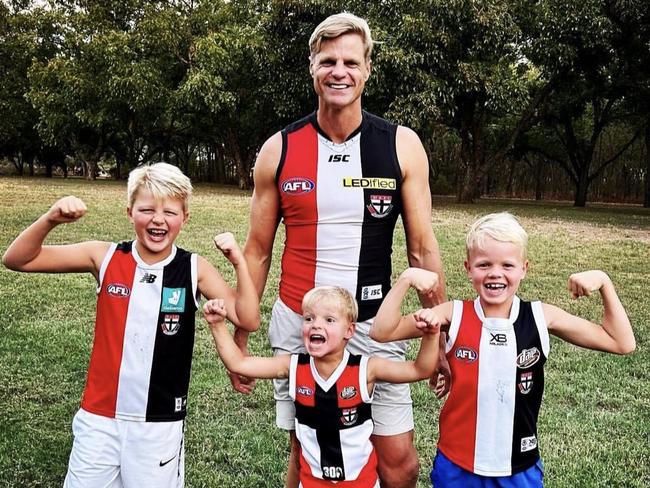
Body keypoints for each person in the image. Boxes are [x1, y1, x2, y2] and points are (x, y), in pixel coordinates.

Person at [235, 12, 447, 487]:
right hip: (300, 323)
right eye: (327, 60)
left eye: (351, 61)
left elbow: (422, 248)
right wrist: (243, 330)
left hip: (376, 325)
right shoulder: (279, 148)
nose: (339, 71)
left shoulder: (401, 145)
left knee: (399, 462)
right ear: (312, 67)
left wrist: (444, 329)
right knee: (305, 454)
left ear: (367, 70)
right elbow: (256, 253)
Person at [2, 162, 260, 488]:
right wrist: (51, 219)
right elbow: (18, 259)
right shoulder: (104, 257)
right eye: (147, 209)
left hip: (159, 423)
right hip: (99, 419)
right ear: (129, 212)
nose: (158, 219)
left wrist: (238, 261)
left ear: (185, 218)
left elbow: (248, 317)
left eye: (170, 212)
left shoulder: (193, 268)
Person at [371, 212, 636, 487]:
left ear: (524, 268)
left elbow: (621, 342)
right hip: (457, 466)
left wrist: (604, 283)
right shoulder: (454, 314)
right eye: (483, 264)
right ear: (468, 268)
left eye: (507, 265)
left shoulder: (540, 316)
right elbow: (383, 332)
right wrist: (405, 280)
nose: (495, 273)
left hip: (519, 467)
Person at [204, 281, 440, 487]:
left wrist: (431, 336)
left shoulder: (366, 369)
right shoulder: (293, 366)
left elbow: (420, 369)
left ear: (350, 331)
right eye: (309, 318)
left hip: (362, 485)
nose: (316, 325)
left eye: (329, 320)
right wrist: (217, 325)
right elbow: (239, 363)